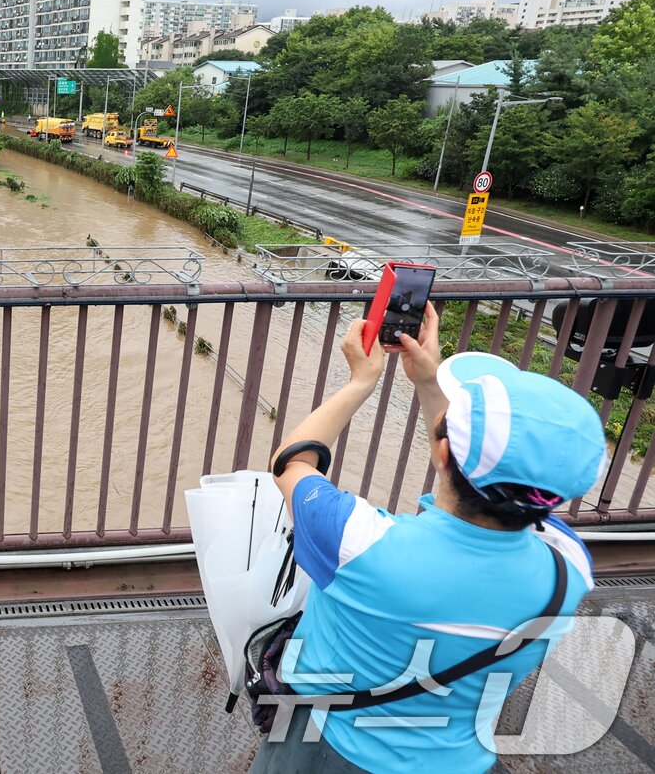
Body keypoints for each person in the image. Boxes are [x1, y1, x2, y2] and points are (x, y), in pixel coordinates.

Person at [249, 303, 604, 774]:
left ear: (441, 452)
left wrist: (361, 381)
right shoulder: (569, 567)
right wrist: (427, 381)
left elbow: (292, 464)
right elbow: (479, 477)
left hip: (325, 749)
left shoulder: (359, 544)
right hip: (459, 760)